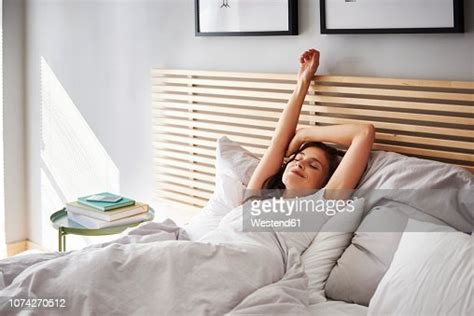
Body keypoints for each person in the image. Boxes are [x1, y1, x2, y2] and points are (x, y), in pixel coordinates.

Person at [246, 48, 375, 201]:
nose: (299, 165)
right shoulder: (257, 196)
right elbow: (277, 145)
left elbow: (364, 133)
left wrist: (304, 134)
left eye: (313, 166)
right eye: (297, 158)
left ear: (323, 184)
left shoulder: (323, 203)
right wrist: (303, 81)